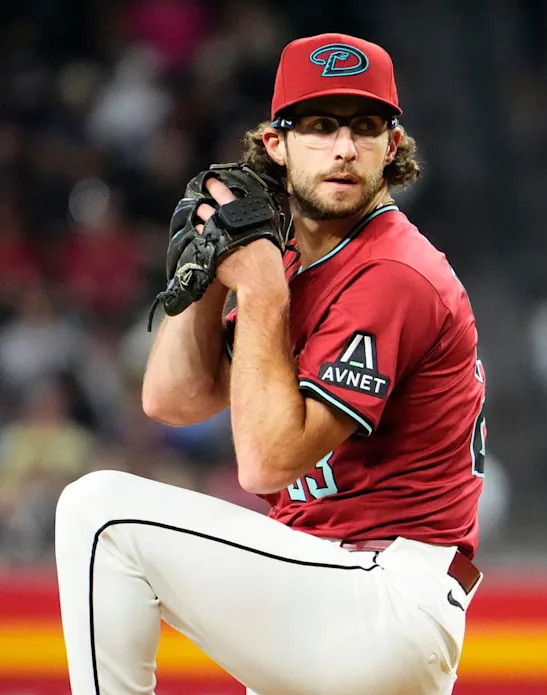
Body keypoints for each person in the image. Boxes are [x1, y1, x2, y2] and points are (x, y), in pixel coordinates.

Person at [54, 33, 487, 695]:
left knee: (98, 514)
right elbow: (172, 399)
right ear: (275, 144)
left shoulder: (392, 272)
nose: (344, 147)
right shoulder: (289, 264)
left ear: (392, 146)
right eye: (319, 126)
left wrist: (256, 288)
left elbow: (265, 464)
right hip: (324, 587)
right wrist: (206, 277)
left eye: (365, 127)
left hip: (382, 595)